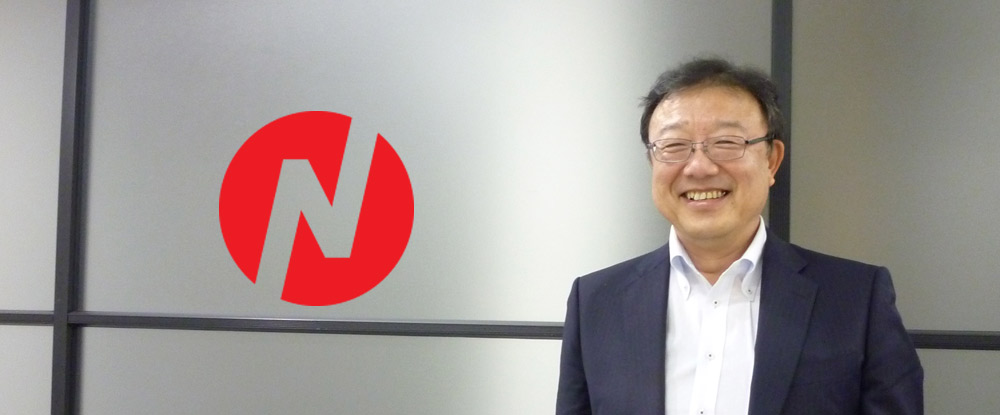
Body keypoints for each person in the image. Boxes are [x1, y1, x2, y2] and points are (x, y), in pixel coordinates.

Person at [555, 57, 923, 415]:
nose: (699, 167)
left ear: (771, 161)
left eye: (727, 142)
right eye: (674, 146)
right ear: (652, 161)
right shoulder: (596, 302)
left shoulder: (856, 300)